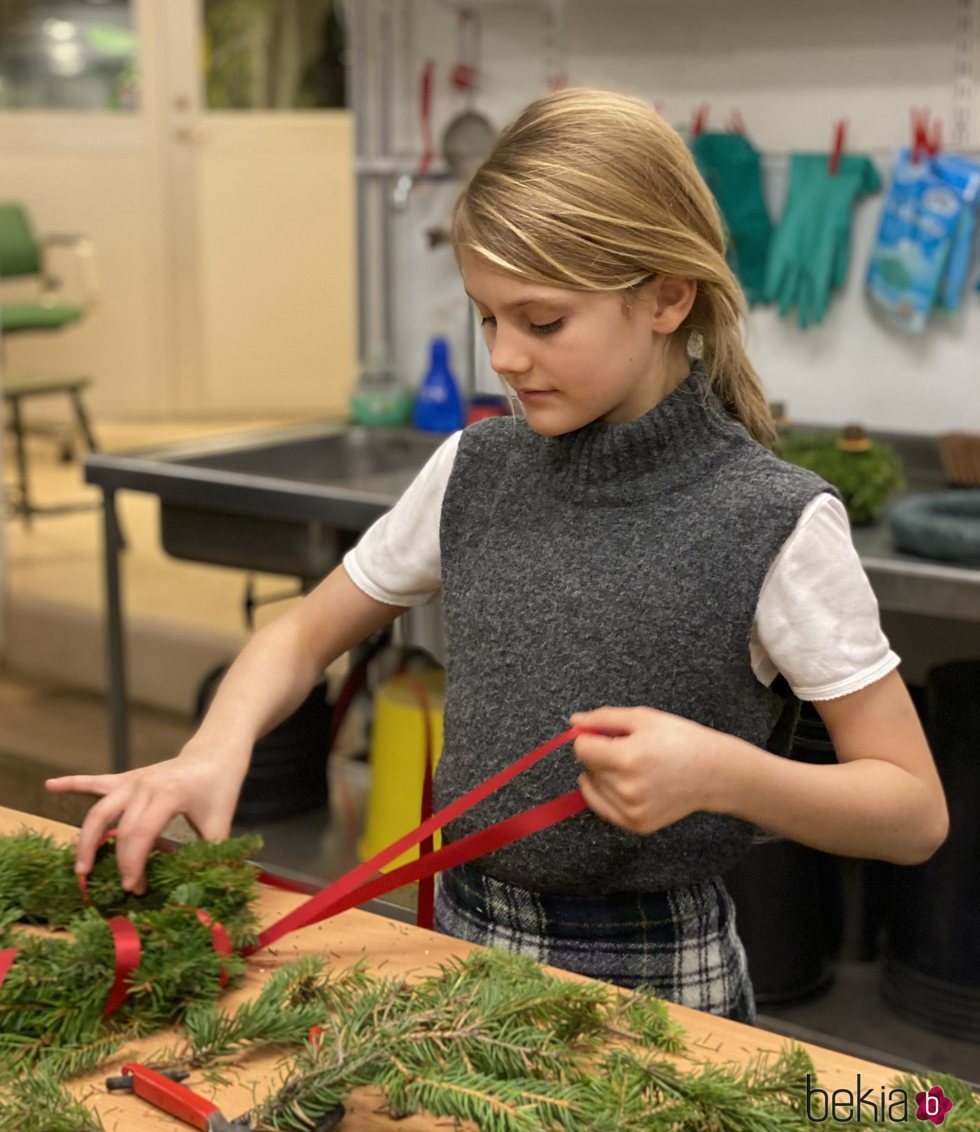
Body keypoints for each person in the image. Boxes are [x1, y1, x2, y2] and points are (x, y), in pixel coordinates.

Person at [47, 89, 948, 1023]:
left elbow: (913, 810)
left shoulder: (772, 520)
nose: (504, 359)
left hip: (657, 974)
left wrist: (722, 772)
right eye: (487, 318)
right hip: (462, 941)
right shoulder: (474, 467)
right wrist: (211, 749)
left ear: (667, 297)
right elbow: (305, 635)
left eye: (542, 321)